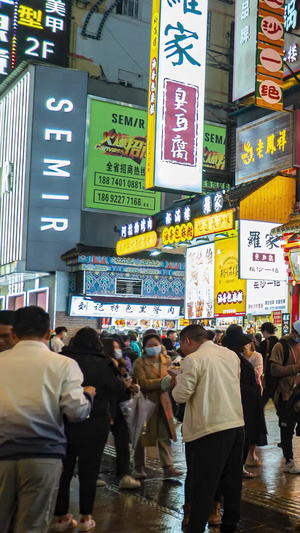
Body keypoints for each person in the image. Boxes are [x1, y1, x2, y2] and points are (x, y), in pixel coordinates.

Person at [0, 306, 95, 533]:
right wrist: (88, 396)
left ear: (14, 334)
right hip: (44, 455)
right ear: (48, 334)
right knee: (32, 525)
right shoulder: (64, 365)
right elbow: (75, 412)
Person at [171, 325, 244, 533]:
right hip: (235, 424)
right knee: (231, 483)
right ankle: (230, 525)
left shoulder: (193, 360)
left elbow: (180, 396)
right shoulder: (231, 355)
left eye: (180, 344)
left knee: (204, 485)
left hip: (209, 429)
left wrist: (175, 379)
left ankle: (196, 527)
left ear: (187, 341)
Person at [54, 327, 125, 531]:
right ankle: (85, 518)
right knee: (90, 469)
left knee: (64, 470)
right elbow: (118, 389)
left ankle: (60, 518)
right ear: (97, 343)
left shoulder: (61, 359)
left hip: (64, 421)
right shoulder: (105, 362)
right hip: (96, 422)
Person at [132, 333, 183, 479]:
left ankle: (168, 467)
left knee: (164, 434)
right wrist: (163, 382)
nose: (154, 348)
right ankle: (138, 467)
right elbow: (141, 383)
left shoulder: (166, 360)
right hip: (145, 402)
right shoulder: (139, 363)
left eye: (156, 344)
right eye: (150, 345)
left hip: (163, 402)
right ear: (144, 347)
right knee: (141, 436)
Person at [222, 326, 267, 479]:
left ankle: (238, 468)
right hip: (243, 404)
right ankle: (235, 470)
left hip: (247, 403)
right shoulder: (232, 358)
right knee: (242, 438)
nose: (245, 345)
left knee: (245, 437)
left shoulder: (235, 357)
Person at [101, 337, 141, 490]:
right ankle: (93, 475)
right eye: (115, 347)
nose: (118, 349)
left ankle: (124, 475)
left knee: (123, 442)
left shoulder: (122, 363)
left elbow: (128, 379)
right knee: (99, 442)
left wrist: (132, 386)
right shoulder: (103, 364)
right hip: (106, 407)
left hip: (122, 406)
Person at [270, 320, 300, 474]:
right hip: (286, 395)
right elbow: (274, 370)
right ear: (294, 332)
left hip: (298, 396)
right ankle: (289, 461)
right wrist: (296, 367)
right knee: (287, 430)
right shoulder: (280, 346)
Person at [243, 339, 264, 467]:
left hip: (253, 393)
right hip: (238, 393)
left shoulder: (256, 356)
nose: (245, 345)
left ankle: (252, 454)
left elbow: (258, 374)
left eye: (247, 342)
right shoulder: (233, 356)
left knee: (254, 424)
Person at [258, 322, 279, 406]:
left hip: (267, 376)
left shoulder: (264, 344)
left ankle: (258, 418)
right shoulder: (279, 342)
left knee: (261, 402)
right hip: (278, 376)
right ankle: (284, 418)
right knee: (277, 401)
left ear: (265, 331)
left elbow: (261, 360)